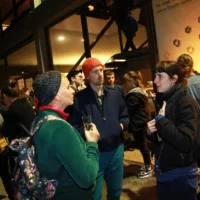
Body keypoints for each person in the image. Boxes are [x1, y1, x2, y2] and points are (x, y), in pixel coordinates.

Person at [32, 71, 100, 200]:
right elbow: (87, 178)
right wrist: (92, 143)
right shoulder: (59, 128)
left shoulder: (40, 119)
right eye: (68, 87)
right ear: (56, 95)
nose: (72, 91)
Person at [69, 57, 129, 200]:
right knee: (95, 194)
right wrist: (87, 137)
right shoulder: (79, 99)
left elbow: (125, 115)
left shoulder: (115, 93)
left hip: (116, 149)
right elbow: (74, 126)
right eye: (95, 72)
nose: (100, 74)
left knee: (115, 190)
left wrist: (119, 127)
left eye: (101, 70)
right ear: (87, 76)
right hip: (95, 153)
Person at [147, 61, 199, 200]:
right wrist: (150, 132)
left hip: (181, 175)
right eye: (155, 76)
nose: (155, 80)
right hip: (164, 172)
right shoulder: (164, 100)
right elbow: (162, 139)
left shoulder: (185, 102)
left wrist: (161, 121)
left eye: (160, 76)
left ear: (174, 78)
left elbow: (185, 141)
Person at [122, 71, 152, 178]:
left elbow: (128, 110)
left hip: (138, 124)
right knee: (142, 145)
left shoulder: (133, 95)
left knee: (142, 145)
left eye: (125, 82)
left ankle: (148, 167)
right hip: (141, 122)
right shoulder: (140, 92)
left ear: (131, 82)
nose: (124, 85)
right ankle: (148, 165)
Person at [1, 85, 35, 172]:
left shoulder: (13, 109)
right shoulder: (25, 103)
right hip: (31, 143)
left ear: (4, 96)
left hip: (21, 148)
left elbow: (6, 130)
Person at [0, 113, 13, 200]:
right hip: (2, 146)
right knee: (4, 174)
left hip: (1, 146)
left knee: (4, 173)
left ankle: (11, 194)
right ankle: (11, 194)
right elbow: (3, 127)